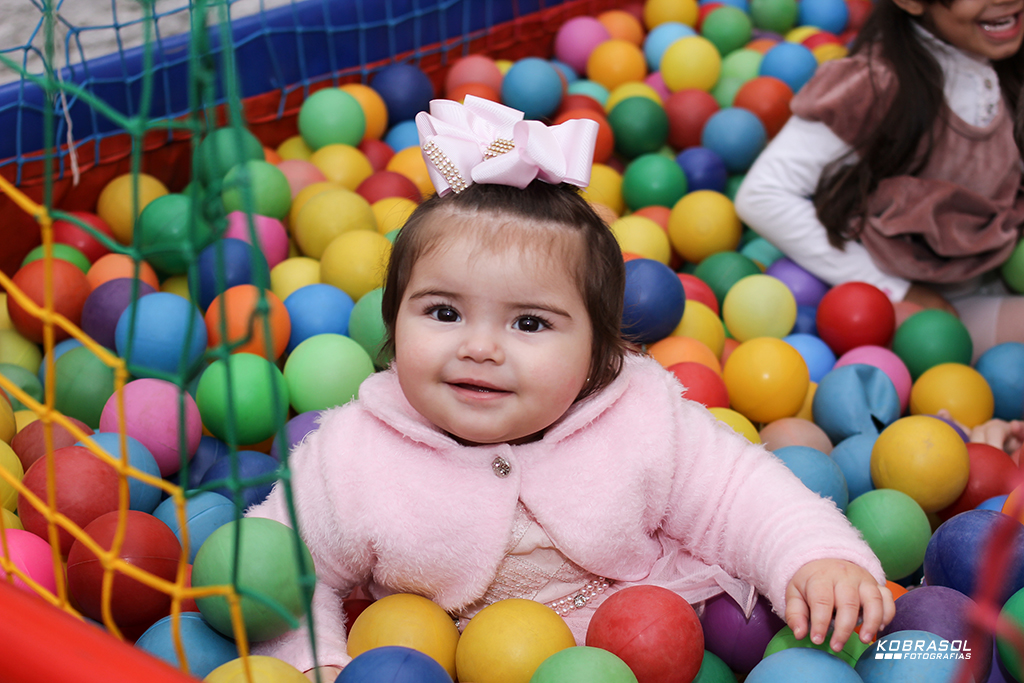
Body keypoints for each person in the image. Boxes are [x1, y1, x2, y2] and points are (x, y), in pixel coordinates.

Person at [247, 95, 893, 677]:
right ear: (393, 321)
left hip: (656, 645)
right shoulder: (354, 452)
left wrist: (814, 557)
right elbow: (278, 563)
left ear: (599, 352)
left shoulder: (638, 413)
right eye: (443, 312)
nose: (480, 346)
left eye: (530, 321)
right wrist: (314, 664)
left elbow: (739, 493)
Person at [735, 0, 1024, 452]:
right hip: (929, 311)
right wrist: (892, 289)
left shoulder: (1006, 59)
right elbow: (762, 194)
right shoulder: (876, 84)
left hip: (989, 278)